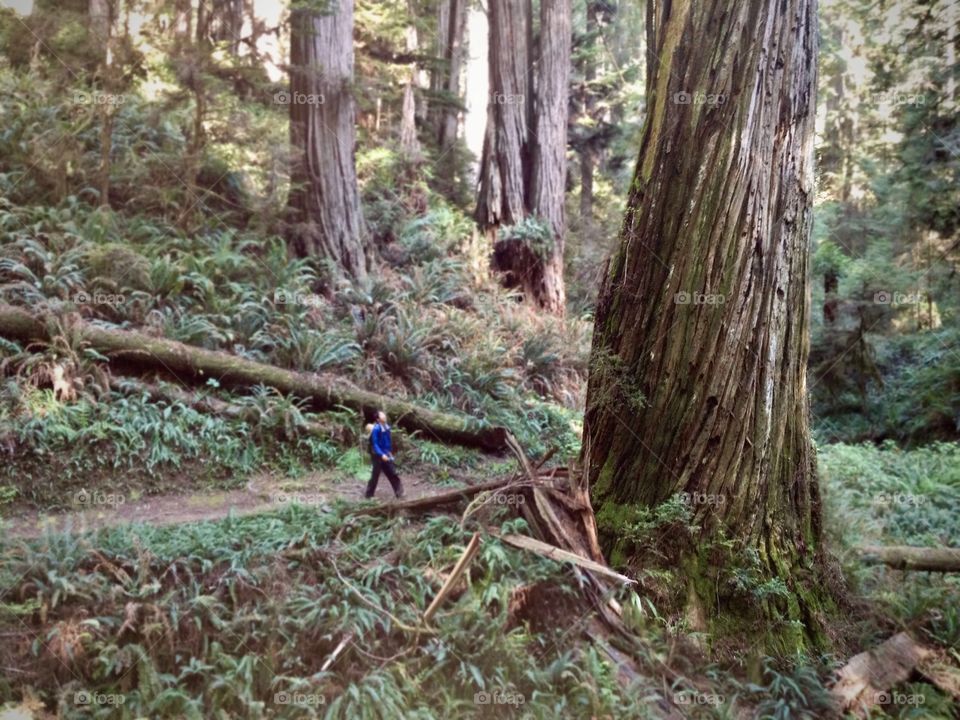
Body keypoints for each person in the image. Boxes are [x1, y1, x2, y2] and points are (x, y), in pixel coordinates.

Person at [365, 410, 405, 499]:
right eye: (382, 416)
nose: (384, 416)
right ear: (378, 419)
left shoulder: (387, 427)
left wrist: (388, 452)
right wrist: (381, 455)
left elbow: (387, 441)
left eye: (384, 415)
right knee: (375, 475)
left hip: (385, 453)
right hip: (377, 455)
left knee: (392, 473)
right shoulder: (376, 429)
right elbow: (375, 444)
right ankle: (369, 495)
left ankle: (399, 493)